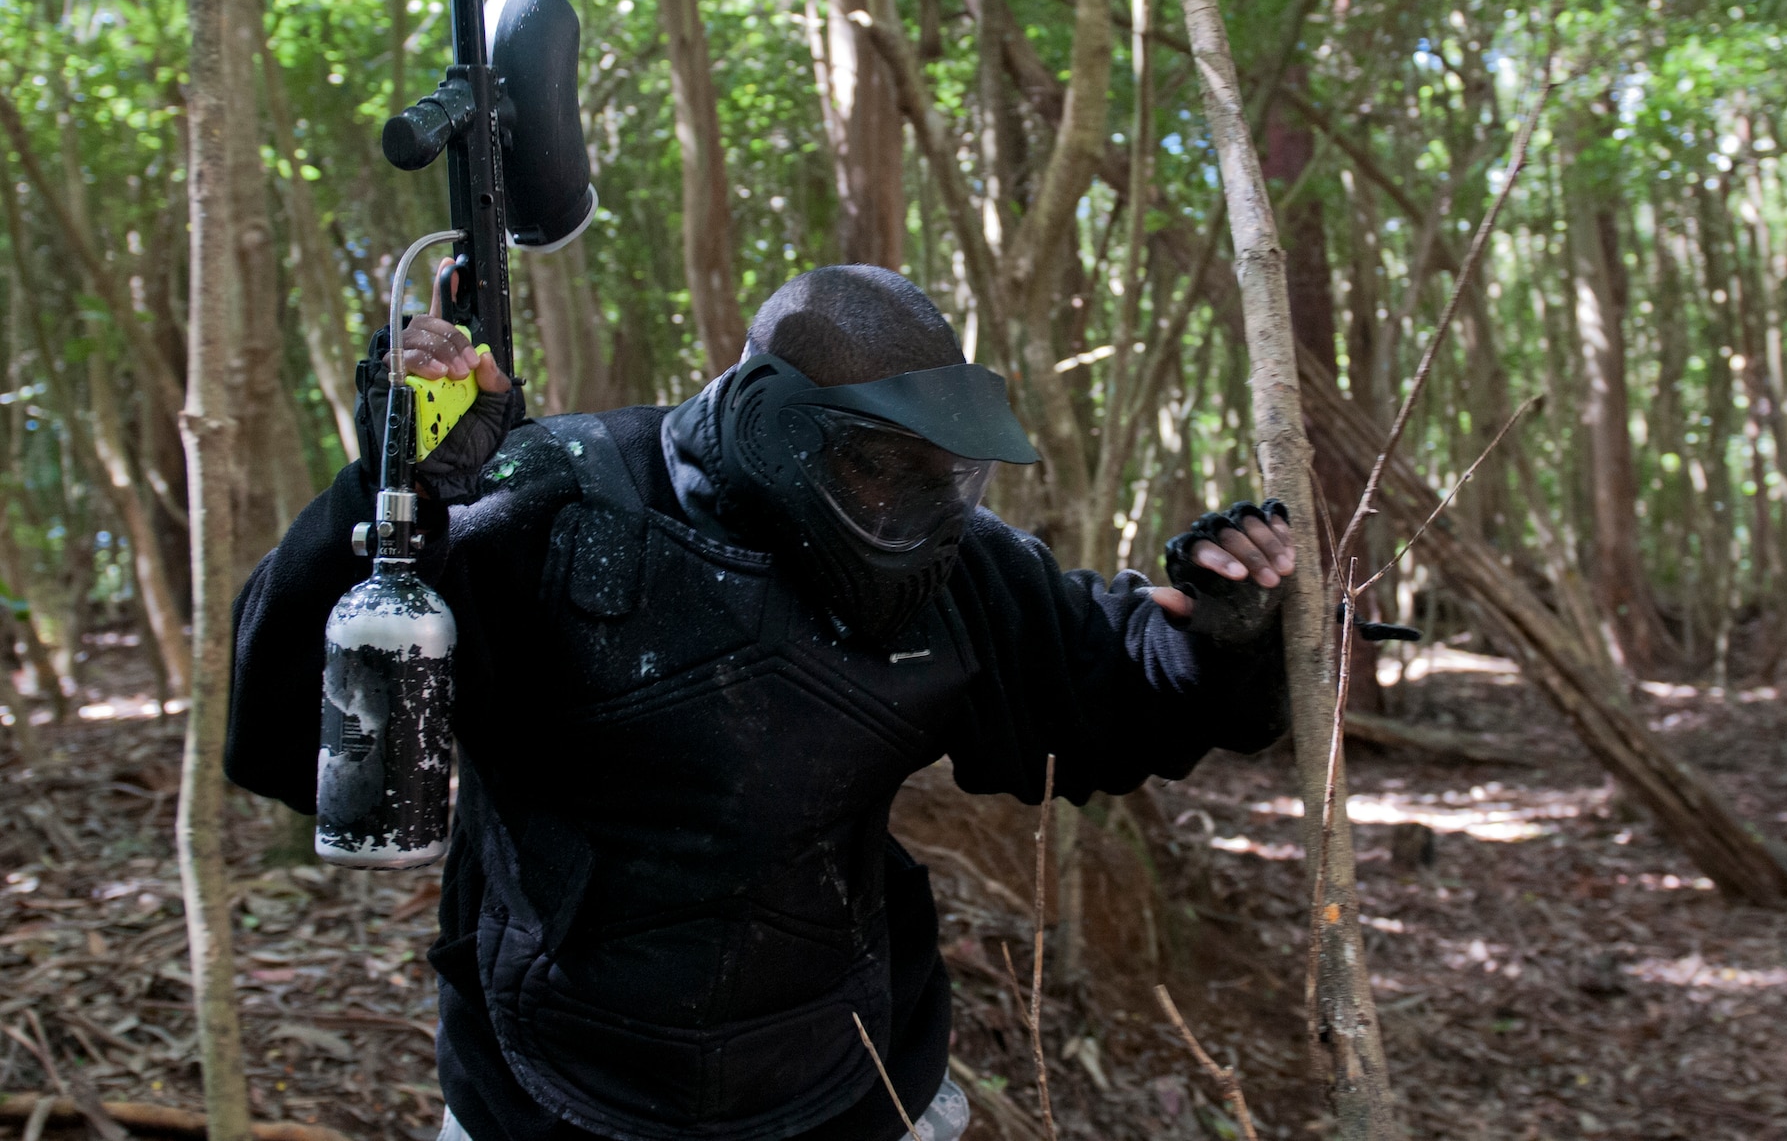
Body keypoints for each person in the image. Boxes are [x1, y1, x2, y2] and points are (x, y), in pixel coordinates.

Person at [227, 265, 1307, 1141]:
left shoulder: (954, 566)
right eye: (879, 465)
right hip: (544, 1089)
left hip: (843, 1079)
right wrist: (386, 497)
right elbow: (287, 735)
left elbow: (1101, 698)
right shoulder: (542, 502)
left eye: (940, 470)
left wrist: (1219, 628)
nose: (917, 501)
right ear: (769, 419)